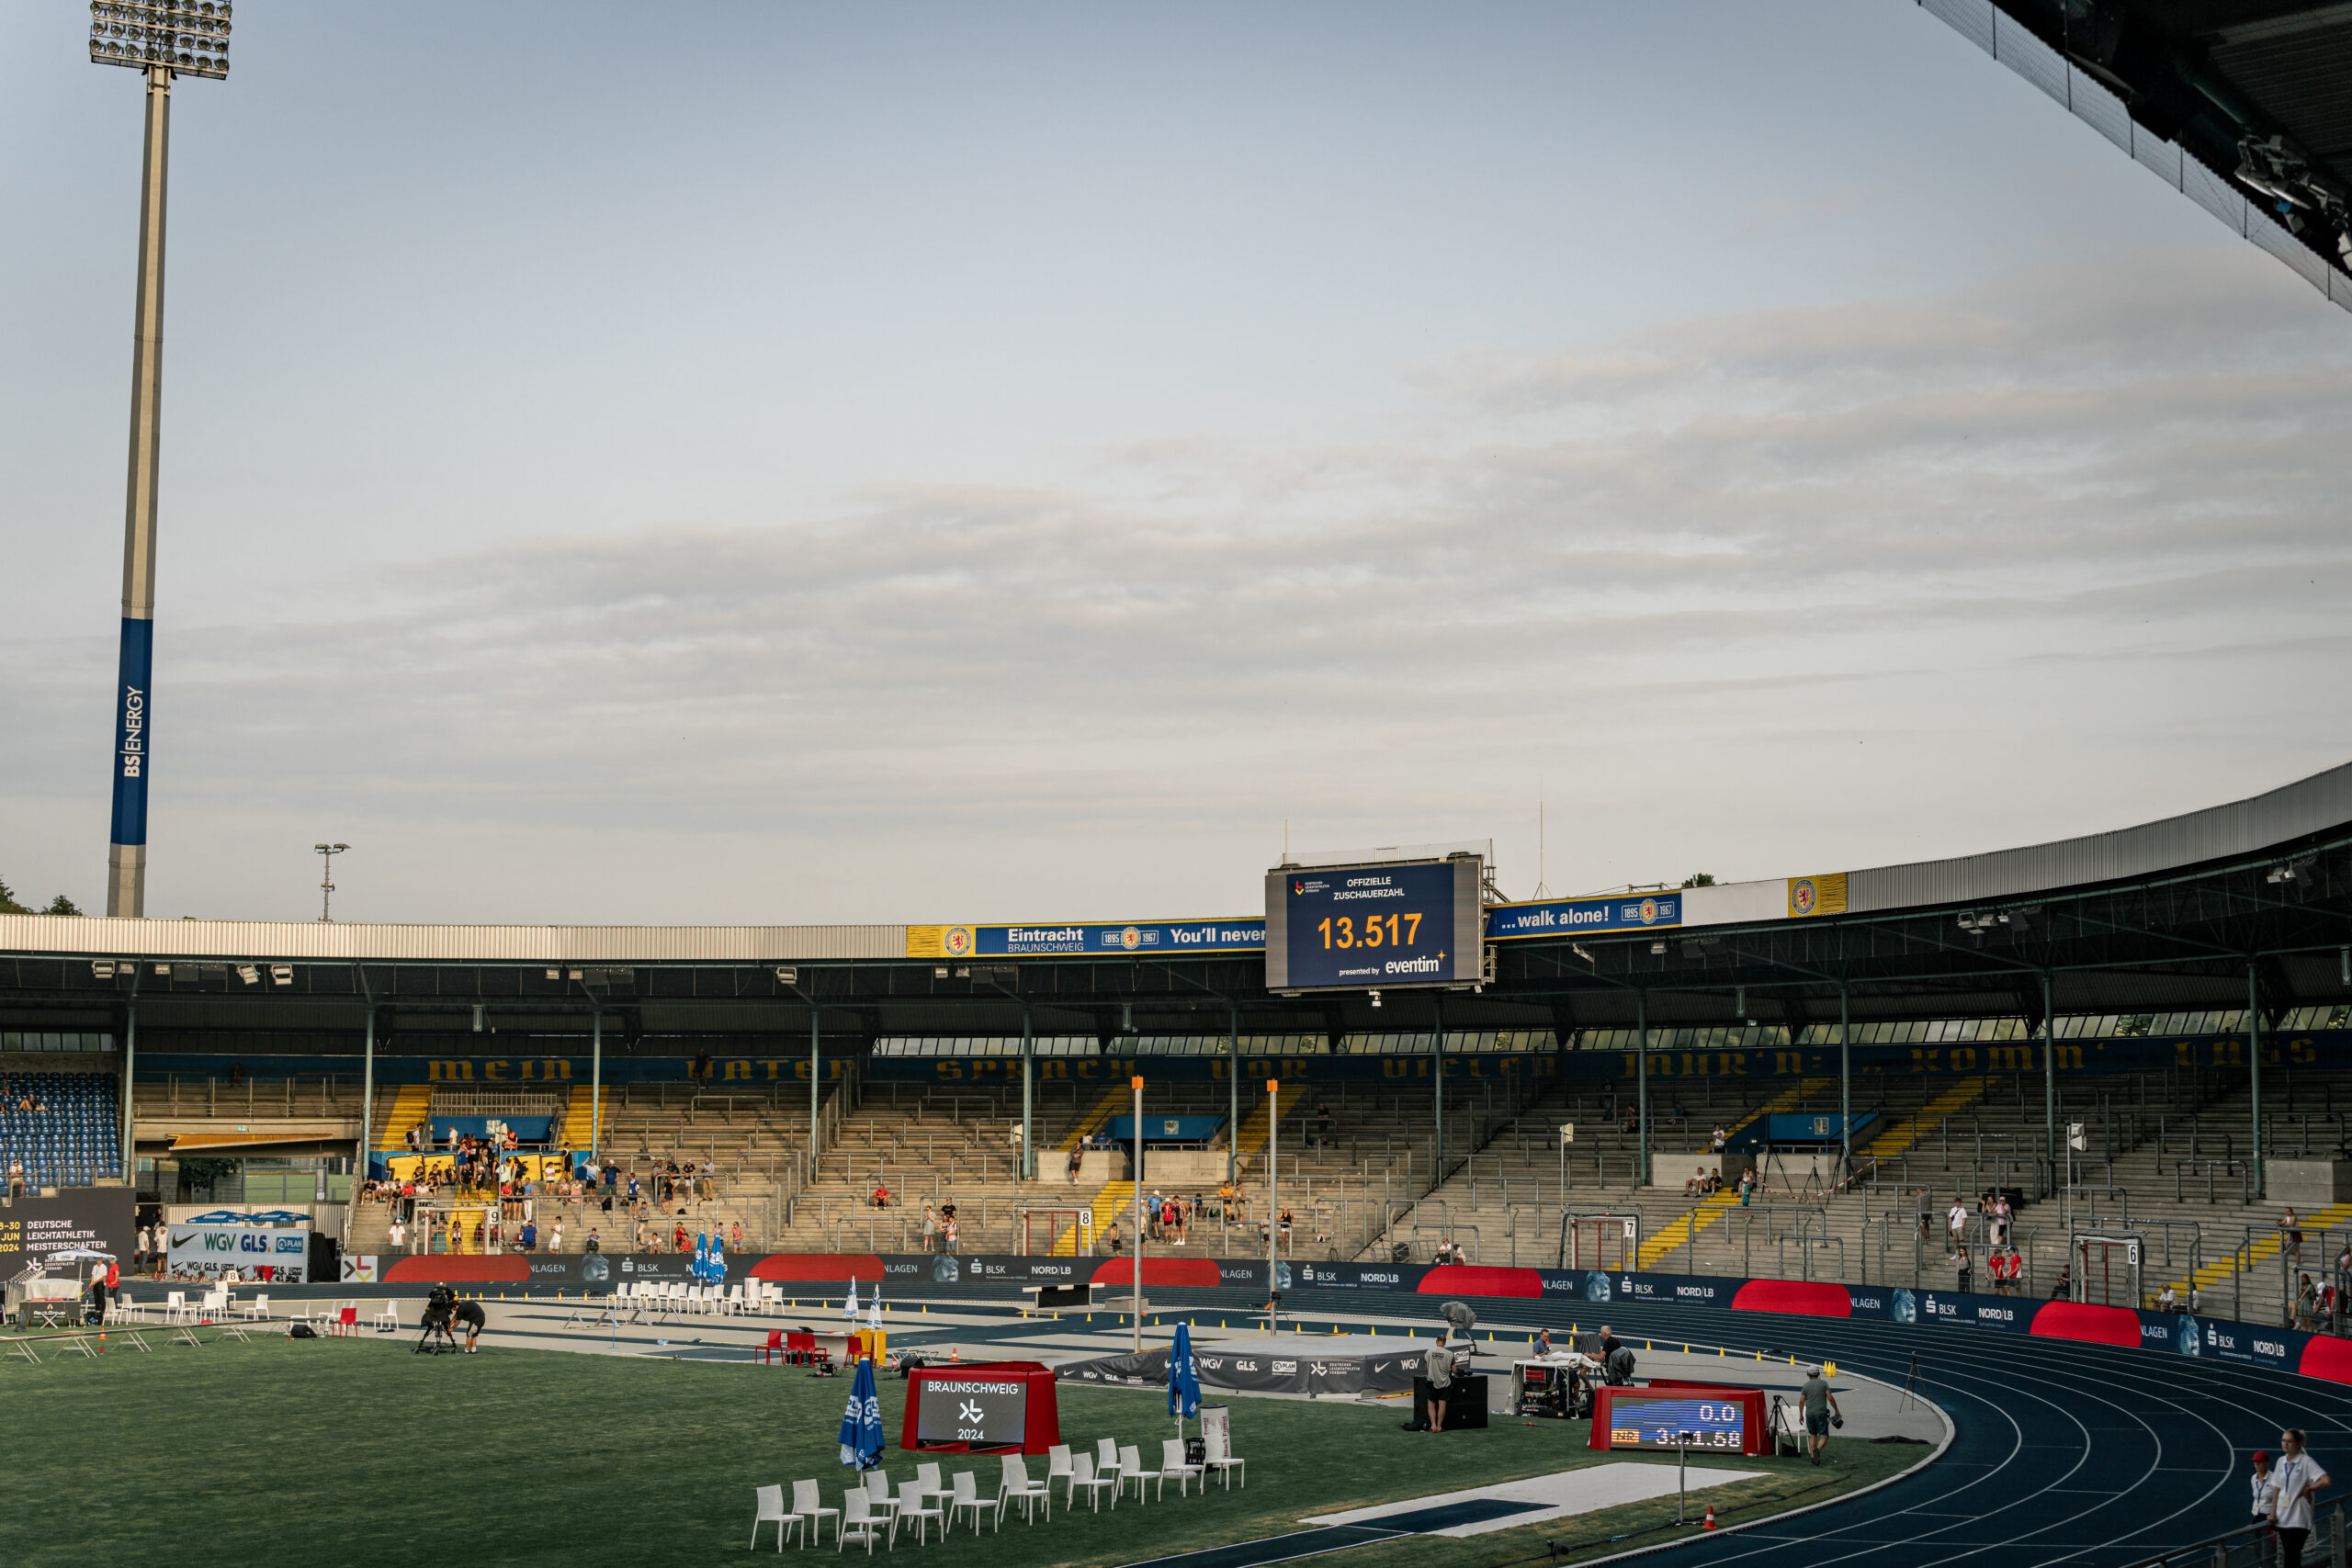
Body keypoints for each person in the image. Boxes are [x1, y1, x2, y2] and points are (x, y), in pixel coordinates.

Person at [2273, 1429, 2331, 1568]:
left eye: (2289, 1441)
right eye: (2283, 1440)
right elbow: (2276, 1488)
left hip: (2299, 1518)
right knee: (2290, 1557)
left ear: (2299, 1444)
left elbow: (2326, 1480)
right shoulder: (2280, 1461)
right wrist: (2272, 1512)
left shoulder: (2306, 1462)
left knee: (2291, 1557)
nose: (2285, 1444)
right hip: (2282, 1518)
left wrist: (2309, 1489)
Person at [1800, 1364, 1841, 1465]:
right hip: (1821, 1413)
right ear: (1818, 1374)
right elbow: (1830, 1398)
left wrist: (1800, 1415)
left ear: (1808, 1374)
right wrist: (1836, 1409)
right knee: (1824, 1435)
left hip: (1810, 1414)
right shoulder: (1824, 1384)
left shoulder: (1805, 1386)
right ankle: (1817, 1450)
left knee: (1813, 1435)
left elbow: (1801, 1402)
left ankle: (1814, 1459)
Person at [1422, 1330, 1454, 1434]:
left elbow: (1426, 1367)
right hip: (1445, 1383)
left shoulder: (1429, 1352)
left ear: (1437, 1341)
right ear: (1444, 1343)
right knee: (1442, 1404)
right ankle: (1439, 1427)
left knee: (1431, 1404)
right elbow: (1453, 1369)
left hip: (1432, 1382)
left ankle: (1433, 1426)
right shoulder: (1450, 1354)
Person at [2252, 1450, 2278, 1528]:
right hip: (2257, 1515)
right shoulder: (2253, 1478)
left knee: (2268, 1539)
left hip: (2270, 1517)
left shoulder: (2274, 1479)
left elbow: (2280, 1498)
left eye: (2259, 1462)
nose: (2257, 1464)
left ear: (2267, 1463)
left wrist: (2274, 1514)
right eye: (2255, 1462)